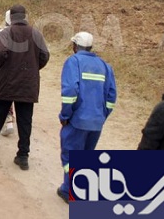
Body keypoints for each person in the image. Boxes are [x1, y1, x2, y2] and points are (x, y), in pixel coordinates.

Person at [0, 5, 50, 171]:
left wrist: (2, 66)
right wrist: (34, 68)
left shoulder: (6, 32)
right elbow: (45, 56)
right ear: (25, 17)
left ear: (11, 18)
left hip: (8, 79)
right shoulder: (36, 33)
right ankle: (23, 156)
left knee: (0, 110)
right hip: (28, 82)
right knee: (25, 119)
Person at [56, 31, 116, 204]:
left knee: (70, 156)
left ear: (75, 46)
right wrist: (102, 116)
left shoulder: (73, 62)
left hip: (77, 121)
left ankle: (69, 191)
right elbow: (111, 96)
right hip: (96, 122)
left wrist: (65, 115)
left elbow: (69, 92)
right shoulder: (105, 66)